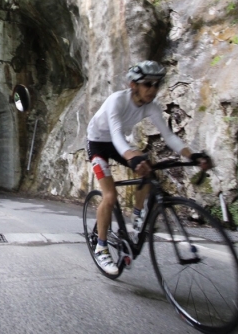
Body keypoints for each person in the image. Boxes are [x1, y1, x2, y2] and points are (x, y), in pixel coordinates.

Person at [86, 60, 212, 275]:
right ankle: (101, 247)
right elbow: (116, 135)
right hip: (98, 143)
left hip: (118, 144)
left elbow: (169, 136)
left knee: (149, 168)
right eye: (148, 84)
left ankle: (138, 215)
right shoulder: (117, 101)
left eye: (157, 85)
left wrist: (193, 155)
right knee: (110, 196)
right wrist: (132, 157)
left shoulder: (150, 106)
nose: (153, 90)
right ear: (133, 85)